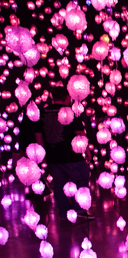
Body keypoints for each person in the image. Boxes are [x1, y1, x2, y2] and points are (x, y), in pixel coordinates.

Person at [34, 86, 93, 220]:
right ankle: (79, 211)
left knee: (59, 185)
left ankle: (64, 213)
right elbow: (80, 134)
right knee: (81, 181)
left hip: (53, 157)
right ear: (66, 97)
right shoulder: (70, 112)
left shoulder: (42, 113)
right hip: (72, 156)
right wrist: (87, 151)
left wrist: (43, 155)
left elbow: (38, 136)